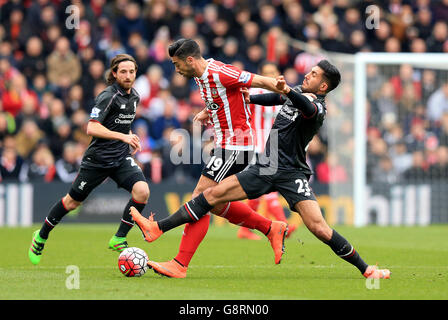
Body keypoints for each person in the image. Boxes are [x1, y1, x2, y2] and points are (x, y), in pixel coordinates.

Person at [131, 60, 391, 279]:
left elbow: (304, 106)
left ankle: (367, 270)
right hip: (266, 166)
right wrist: (252, 97)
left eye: (314, 74)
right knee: (209, 197)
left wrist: (288, 91)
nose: (307, 74)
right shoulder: (297, 91)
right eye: (309, 70)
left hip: (292, 173)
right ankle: (161, 230)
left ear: (323, 86)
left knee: (319, 228)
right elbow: (277, 97)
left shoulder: (318, 107)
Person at [132, 38, 289, 278]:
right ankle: (270, 228)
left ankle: (171, 249)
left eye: (177, 64)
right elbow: (223, 97)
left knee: (200, 199)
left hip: (237, 145)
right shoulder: (198, 76)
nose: (176, 70)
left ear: (190, 60)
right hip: (226, 144)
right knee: (214, 203)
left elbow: (255, 80)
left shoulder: (220, 72)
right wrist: (210, 110)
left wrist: (280, 86)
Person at [28, 54, 150, 265]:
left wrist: (129, 138)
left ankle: (119, 237)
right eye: (123, 71)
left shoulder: (135, 97)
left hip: (120, 158)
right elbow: (91, 127)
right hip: (97, 160)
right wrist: (123, 136)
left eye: (132, 71)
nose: (128, 75)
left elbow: (122, 124)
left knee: (143, 191)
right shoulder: (108, 96)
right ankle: (41, 235)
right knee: (72, 202)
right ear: (114, 73)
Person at [239, 61, 297, 240]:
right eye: (267, 72)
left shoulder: (283, 93)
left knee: (257, 189)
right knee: (270, 188)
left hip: (272, 146)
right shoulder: (256, 92)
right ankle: (283, 226)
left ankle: (244, 229)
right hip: (257, 145)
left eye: (274, 72)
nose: (271, 75)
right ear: (261, 75)